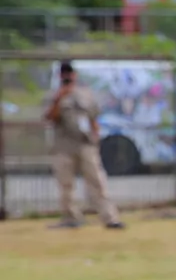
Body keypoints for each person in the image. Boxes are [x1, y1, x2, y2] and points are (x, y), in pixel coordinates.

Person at [42, 61, 125, 230]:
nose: (68, 77)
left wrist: (96, 138)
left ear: (75, 75)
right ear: (60, 76)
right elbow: (49, 117)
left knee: (97, 182)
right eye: (64, 74)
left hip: (85, 144)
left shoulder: (86, 94)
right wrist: (60, 98)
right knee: (66, 185)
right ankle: (71, 217)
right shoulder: (54, 95)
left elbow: (93, 118)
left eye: (70, 73)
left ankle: (110, 217)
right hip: (63, 146)